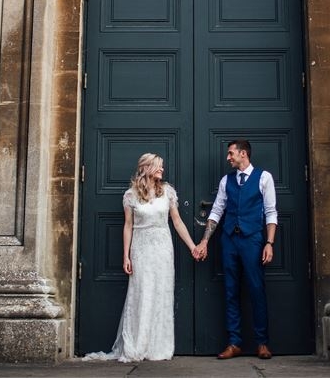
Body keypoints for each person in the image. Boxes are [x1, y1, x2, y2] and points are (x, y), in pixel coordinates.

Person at [84, 153, 198, 362]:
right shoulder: (131, 195)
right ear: (146, 167)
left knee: (161, 293)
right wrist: (125, 256)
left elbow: (178, 222)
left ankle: (158, 347)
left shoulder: (168, 192)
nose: (162, 170)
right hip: (141, 249)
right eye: (158, 166)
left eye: (162, 167)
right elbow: (128, 226)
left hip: (163, 248)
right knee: (141, 293)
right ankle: (137, 344)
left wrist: (192, 246)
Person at [195, 139, 277, 360]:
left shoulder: (264, 177)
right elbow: (216, 211)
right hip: (229, 240)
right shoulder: (226, 181)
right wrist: (204, 242)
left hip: (252, 241)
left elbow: (271, 212)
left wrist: (269, 243)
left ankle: (262, 343)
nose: (228, 157)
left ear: (243, 154)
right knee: (231, 291)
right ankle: (234, 342)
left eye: (231, 153)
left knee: (256, 290)